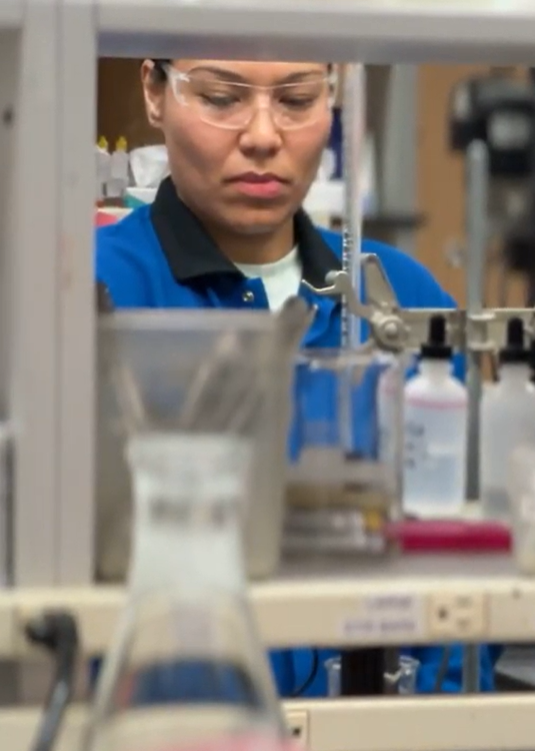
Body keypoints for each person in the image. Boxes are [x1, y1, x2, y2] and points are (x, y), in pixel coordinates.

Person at [95, 58, 498, 696]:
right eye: (223, 98)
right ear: (154, 92)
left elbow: (476, 543)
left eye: (297, 99)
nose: (262, 134)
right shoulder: (94, 291)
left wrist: (420, 715)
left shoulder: (397, 294)